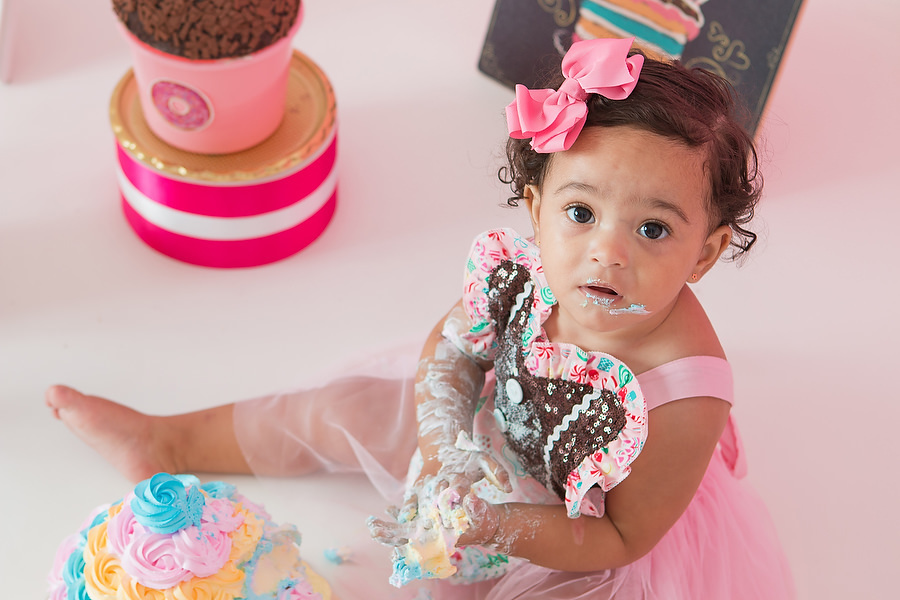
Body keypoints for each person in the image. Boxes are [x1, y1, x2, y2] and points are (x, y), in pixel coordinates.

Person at [46, 38, 794, 599]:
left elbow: (625, 536)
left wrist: (495, 525)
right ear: (537, 210)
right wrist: (442, 448)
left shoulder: (686, 394)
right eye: (581, 212)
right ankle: (165, 436)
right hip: (486, 430)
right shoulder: (530, 267)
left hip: (585, 526)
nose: (607, 254)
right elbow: (454, 347)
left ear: (706, 252)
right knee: (342, 408)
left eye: (654, 230)